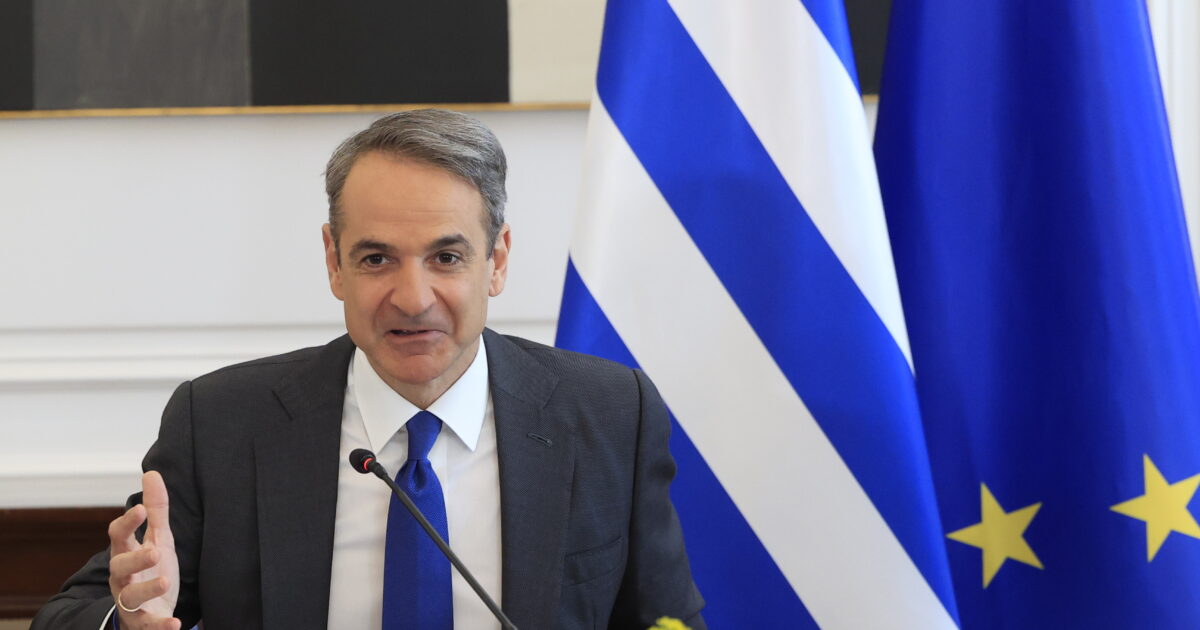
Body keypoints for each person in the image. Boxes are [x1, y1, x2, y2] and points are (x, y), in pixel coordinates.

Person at [31, 109, 705, 630]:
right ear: (334, 262)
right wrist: (128, 618)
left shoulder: (609, 415)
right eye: (377, 259)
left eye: (446, 258)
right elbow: (69, 614)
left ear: (497, 261)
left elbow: (666, 621)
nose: (412, 298)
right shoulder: (221, 426)